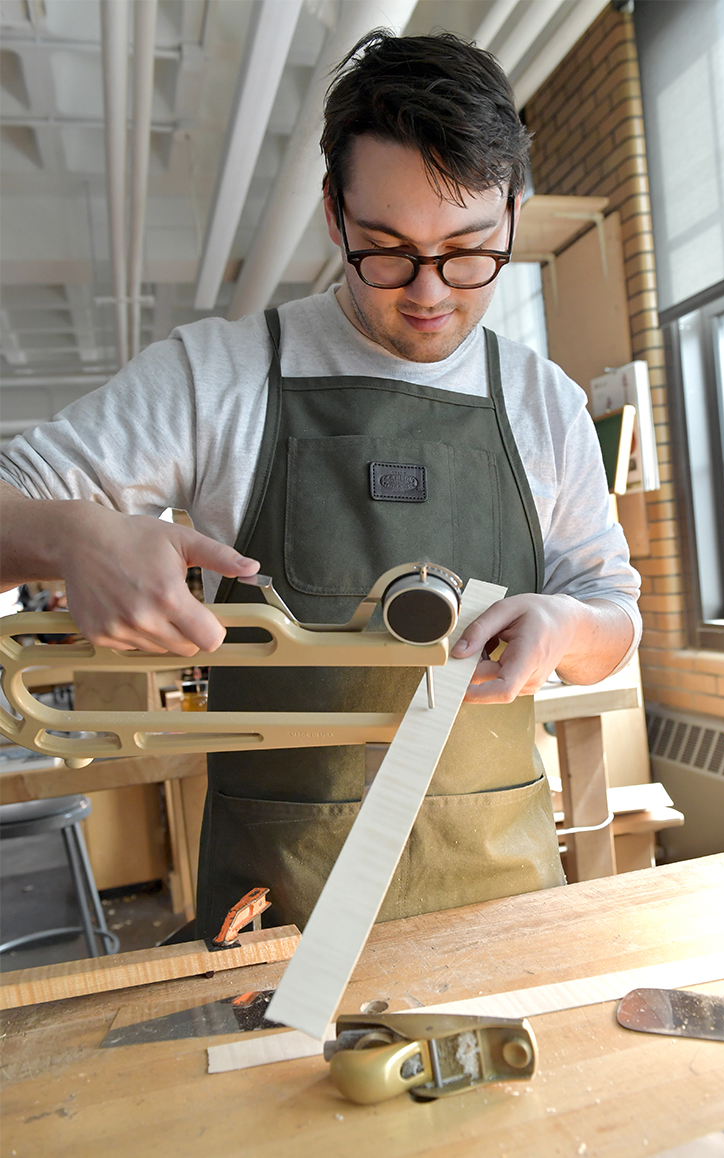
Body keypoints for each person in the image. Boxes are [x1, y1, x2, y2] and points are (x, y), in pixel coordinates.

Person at [0, 31, 641, 936]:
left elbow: (614, 617)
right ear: (335, 215)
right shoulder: (217, 375)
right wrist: (72, 537)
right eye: (385, 249)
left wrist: (569, 622)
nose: (430, 293)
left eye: (468, 251)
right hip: (281, 926)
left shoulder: (546, 404)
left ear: (514, 214)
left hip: (506, 913)